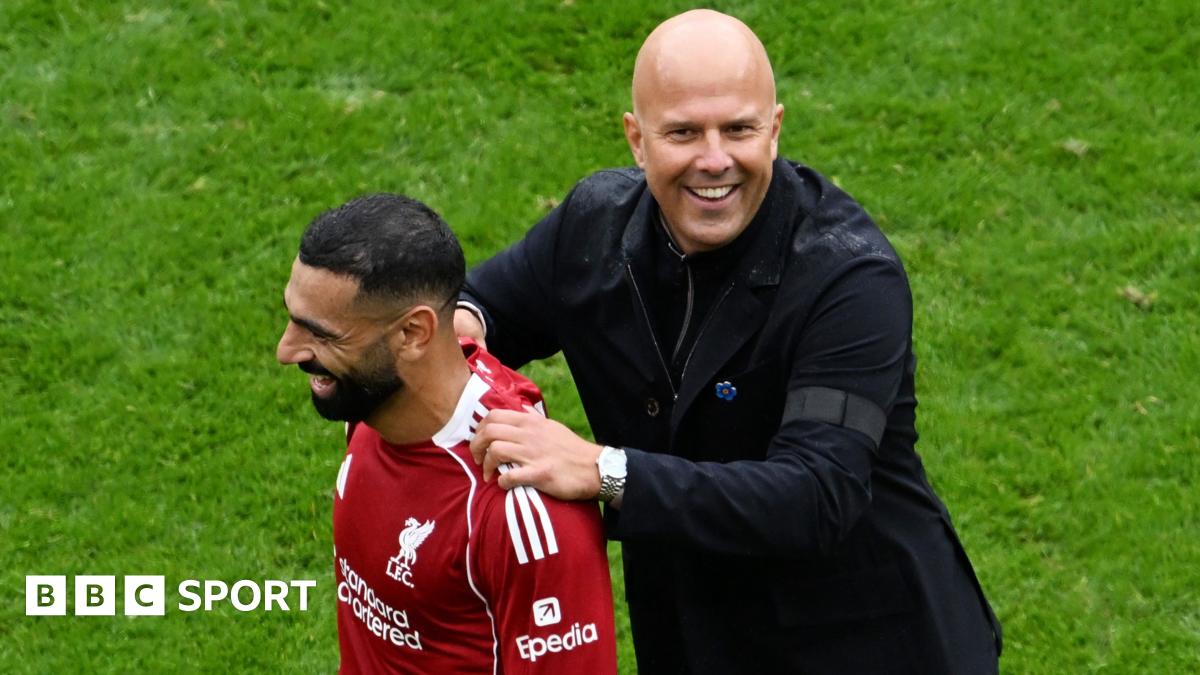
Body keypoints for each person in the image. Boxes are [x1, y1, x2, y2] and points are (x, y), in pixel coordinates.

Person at [456, 9, 1002, 675]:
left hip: (867, 642)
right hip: (696, 640)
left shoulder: (849, 276)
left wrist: (603, 469)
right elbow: (481, 305)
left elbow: (817, 494)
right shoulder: (592, 228)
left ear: (774, 130)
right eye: (683, 132)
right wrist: (460, 332)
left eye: (738, 129)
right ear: (636, 139)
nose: (714, 160)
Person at [276, 194, 617, 674]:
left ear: (413, 334)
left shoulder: (517, 505)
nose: (286, 351)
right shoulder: (375, 404)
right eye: (292, 318)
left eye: (322, 335)